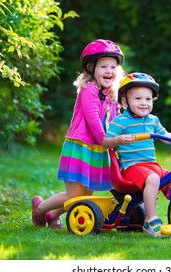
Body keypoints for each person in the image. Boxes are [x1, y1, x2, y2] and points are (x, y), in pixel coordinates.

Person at [32, 39, 126, 229]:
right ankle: (40, 209)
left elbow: (116, 120)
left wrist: (119, 139)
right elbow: (92, 119)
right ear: (91, 68)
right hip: (81, 145)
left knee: (85, 196)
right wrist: (106, 140)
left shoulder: (112, 92)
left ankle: (53, 215)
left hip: (98, 149)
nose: (109, 71)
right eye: (103, 66)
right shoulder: (88, 89)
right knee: (74, 195)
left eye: (113, 66)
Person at [102, 72, 171, 237]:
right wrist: (119, 139)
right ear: (124, 101)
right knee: (154, 178)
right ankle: (150, 219)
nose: (144, 103)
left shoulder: (153, 120)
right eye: (138, 99)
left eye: (148, 99)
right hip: (131, 168)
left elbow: (168, 137)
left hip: (151, 166)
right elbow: (105, 142)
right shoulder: (120, 121)